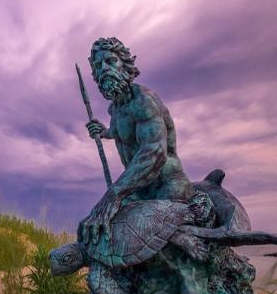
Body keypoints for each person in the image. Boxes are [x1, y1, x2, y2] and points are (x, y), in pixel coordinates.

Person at [79, 37, 195, 244]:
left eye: (110, 61)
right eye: (98, 65)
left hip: (166, 186)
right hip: (138, 189)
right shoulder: (115, 109)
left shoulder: (144, 100)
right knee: (102, 230)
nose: (104, 68)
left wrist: (114, 193)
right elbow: (121, 132)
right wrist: (103, 131)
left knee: (157, 240)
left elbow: (154, 153)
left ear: (125, 64)